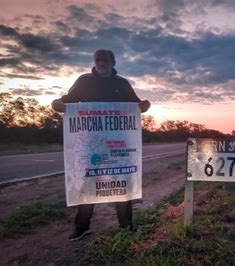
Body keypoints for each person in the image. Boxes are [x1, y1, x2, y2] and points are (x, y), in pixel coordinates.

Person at [51, 49, 150, 241]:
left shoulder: (122, 83)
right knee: (88, 182)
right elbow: (66, 101)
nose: (102, 62)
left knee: (122, 182)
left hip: (117, 144)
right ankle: (82, 227)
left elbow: (137, 105)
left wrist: (146, 105)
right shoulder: (84, 81)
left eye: (105, 60)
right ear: (94, 62)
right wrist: (56, 103)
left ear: (113, 62)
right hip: (90, 142)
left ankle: (126, 226)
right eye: (98, 59)